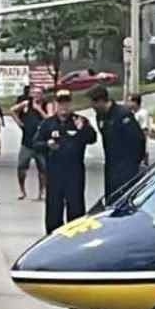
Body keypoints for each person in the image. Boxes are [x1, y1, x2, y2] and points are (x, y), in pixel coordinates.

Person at [33, 89, 97, 234]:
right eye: (61, 103)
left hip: (74, 172)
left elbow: (92, 139)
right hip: (55, 172)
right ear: (56, 104)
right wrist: (47, 145)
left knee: (76, 209)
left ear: (71, 103)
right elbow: (36, 144)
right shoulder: (47, 124)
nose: (64, 107)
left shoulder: (79, 121)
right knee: (54, 210)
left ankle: (75, 240)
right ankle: (53, 238)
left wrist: (83, 129)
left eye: (66, 103)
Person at [89, 86, 147, 202]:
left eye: (93, 103)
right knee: (111, 200)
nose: (92, 107)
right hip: (111, 167)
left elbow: (139, 139)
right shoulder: (100, 116)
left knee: (125, 200)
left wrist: (135, 162)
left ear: (101, 101)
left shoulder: (123, 114)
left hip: (127, 168)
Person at [10, 87, 48, 200]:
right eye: (34, 93)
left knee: (43, 169)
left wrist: (39, 109)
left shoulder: (46, 105)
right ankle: (22, 191)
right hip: (27, 142)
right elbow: (12, 110)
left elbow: (50, 119)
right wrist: (19, 123)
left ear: (42, 95)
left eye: (38, 93)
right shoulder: (26, 104)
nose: (36, 95)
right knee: (21, 167)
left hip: (41, 142)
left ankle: (41, 192)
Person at [127, 94, 151, 167]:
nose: (128, 103)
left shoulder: (143, 113)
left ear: (135, 102)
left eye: (129, 101)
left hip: (140, 146)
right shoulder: (131, 113)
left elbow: (144, 130)